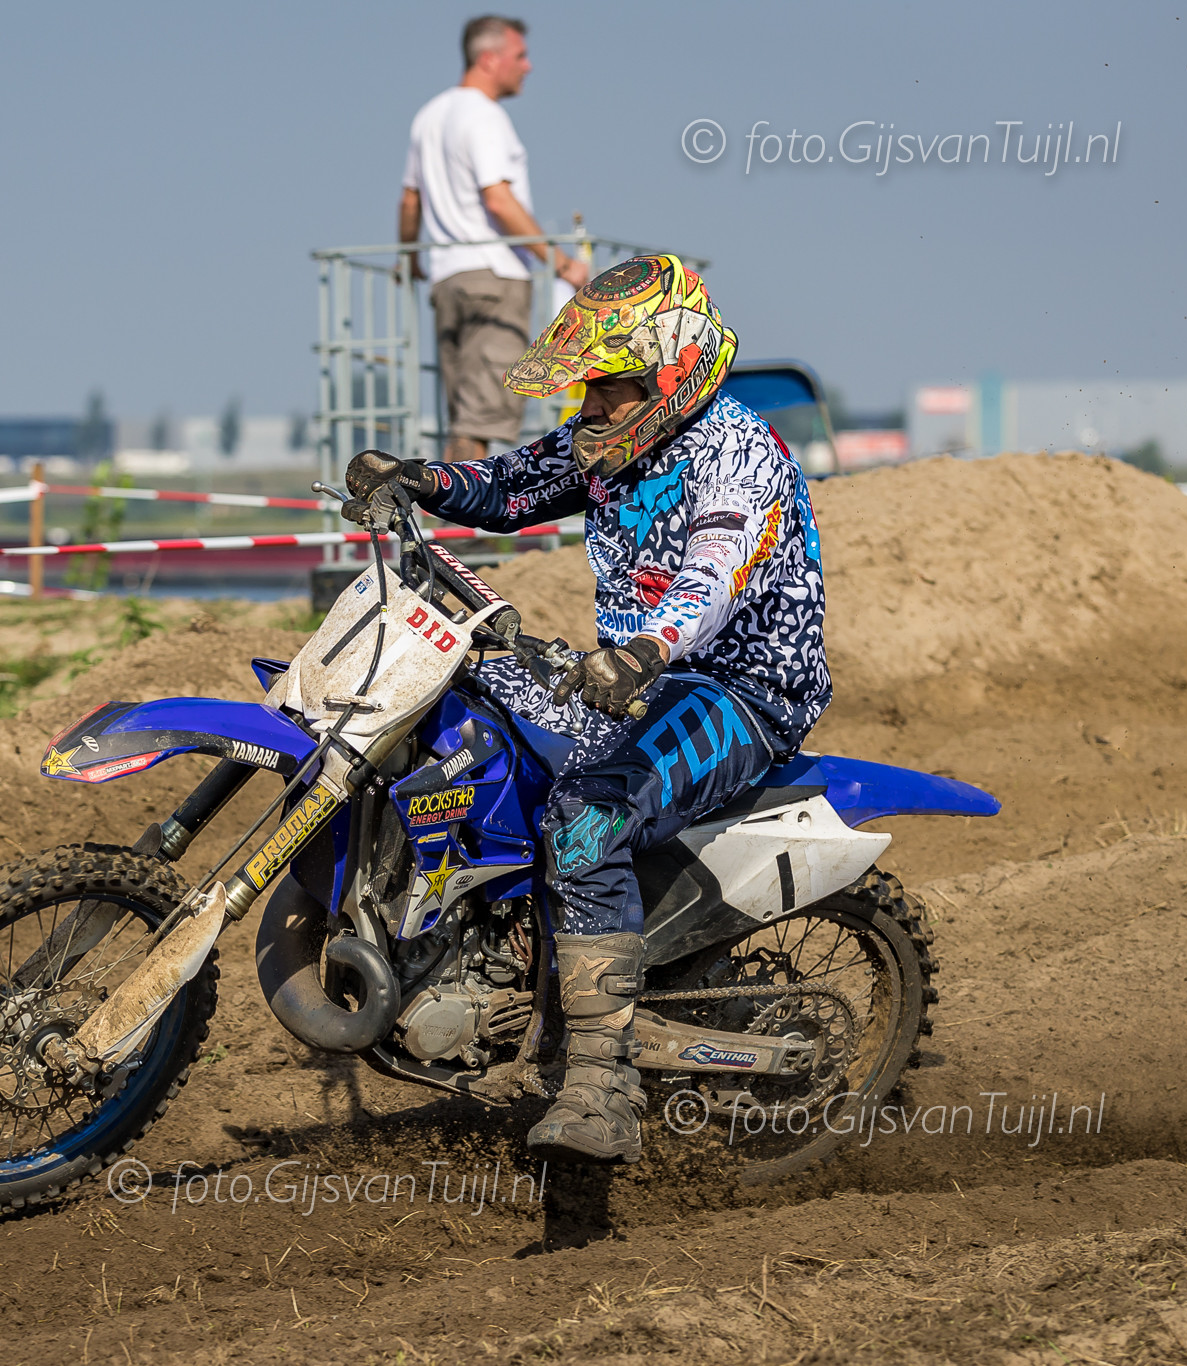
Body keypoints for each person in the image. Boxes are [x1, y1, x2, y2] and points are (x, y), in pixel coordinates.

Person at [342, 255, 830, 1164]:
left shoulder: (737, 454)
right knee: (461, 708)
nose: (591, 404)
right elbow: (508, 488)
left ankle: (601, 1083)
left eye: (610, 386)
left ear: (670, 374)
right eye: (587, 385)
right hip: (630, 675)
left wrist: (645, 649)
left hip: (736, 687)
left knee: (583, 818)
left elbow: (713, 572)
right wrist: (416, 478)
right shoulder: (604, 441)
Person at [400, 16, 590, 465]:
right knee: (479, 421)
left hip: (448, 280)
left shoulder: (429, 115)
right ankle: (459, 512)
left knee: (463, 417)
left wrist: (409, 259)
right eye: (520, 56)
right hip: (494, 278)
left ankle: (448, 504)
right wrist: (561, 263)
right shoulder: (484, 115)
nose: (528, 66)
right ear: (489, 59)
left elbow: (410, 201)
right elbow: (499, 200)